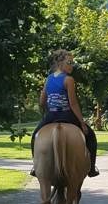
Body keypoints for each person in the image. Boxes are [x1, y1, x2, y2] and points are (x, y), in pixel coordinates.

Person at [30, 49, 99, 177]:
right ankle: (92, 168)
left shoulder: (48, 79)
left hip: (51, 116)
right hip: (67, 115)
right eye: (69, 63)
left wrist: (49, 107)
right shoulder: (69, 80)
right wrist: (82, 122)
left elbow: (42, 101)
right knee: (91, 136)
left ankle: (35, 166)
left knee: (35, 136)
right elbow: (73, 104)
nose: (72, 66)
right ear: (60, 63)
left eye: (72, 63)